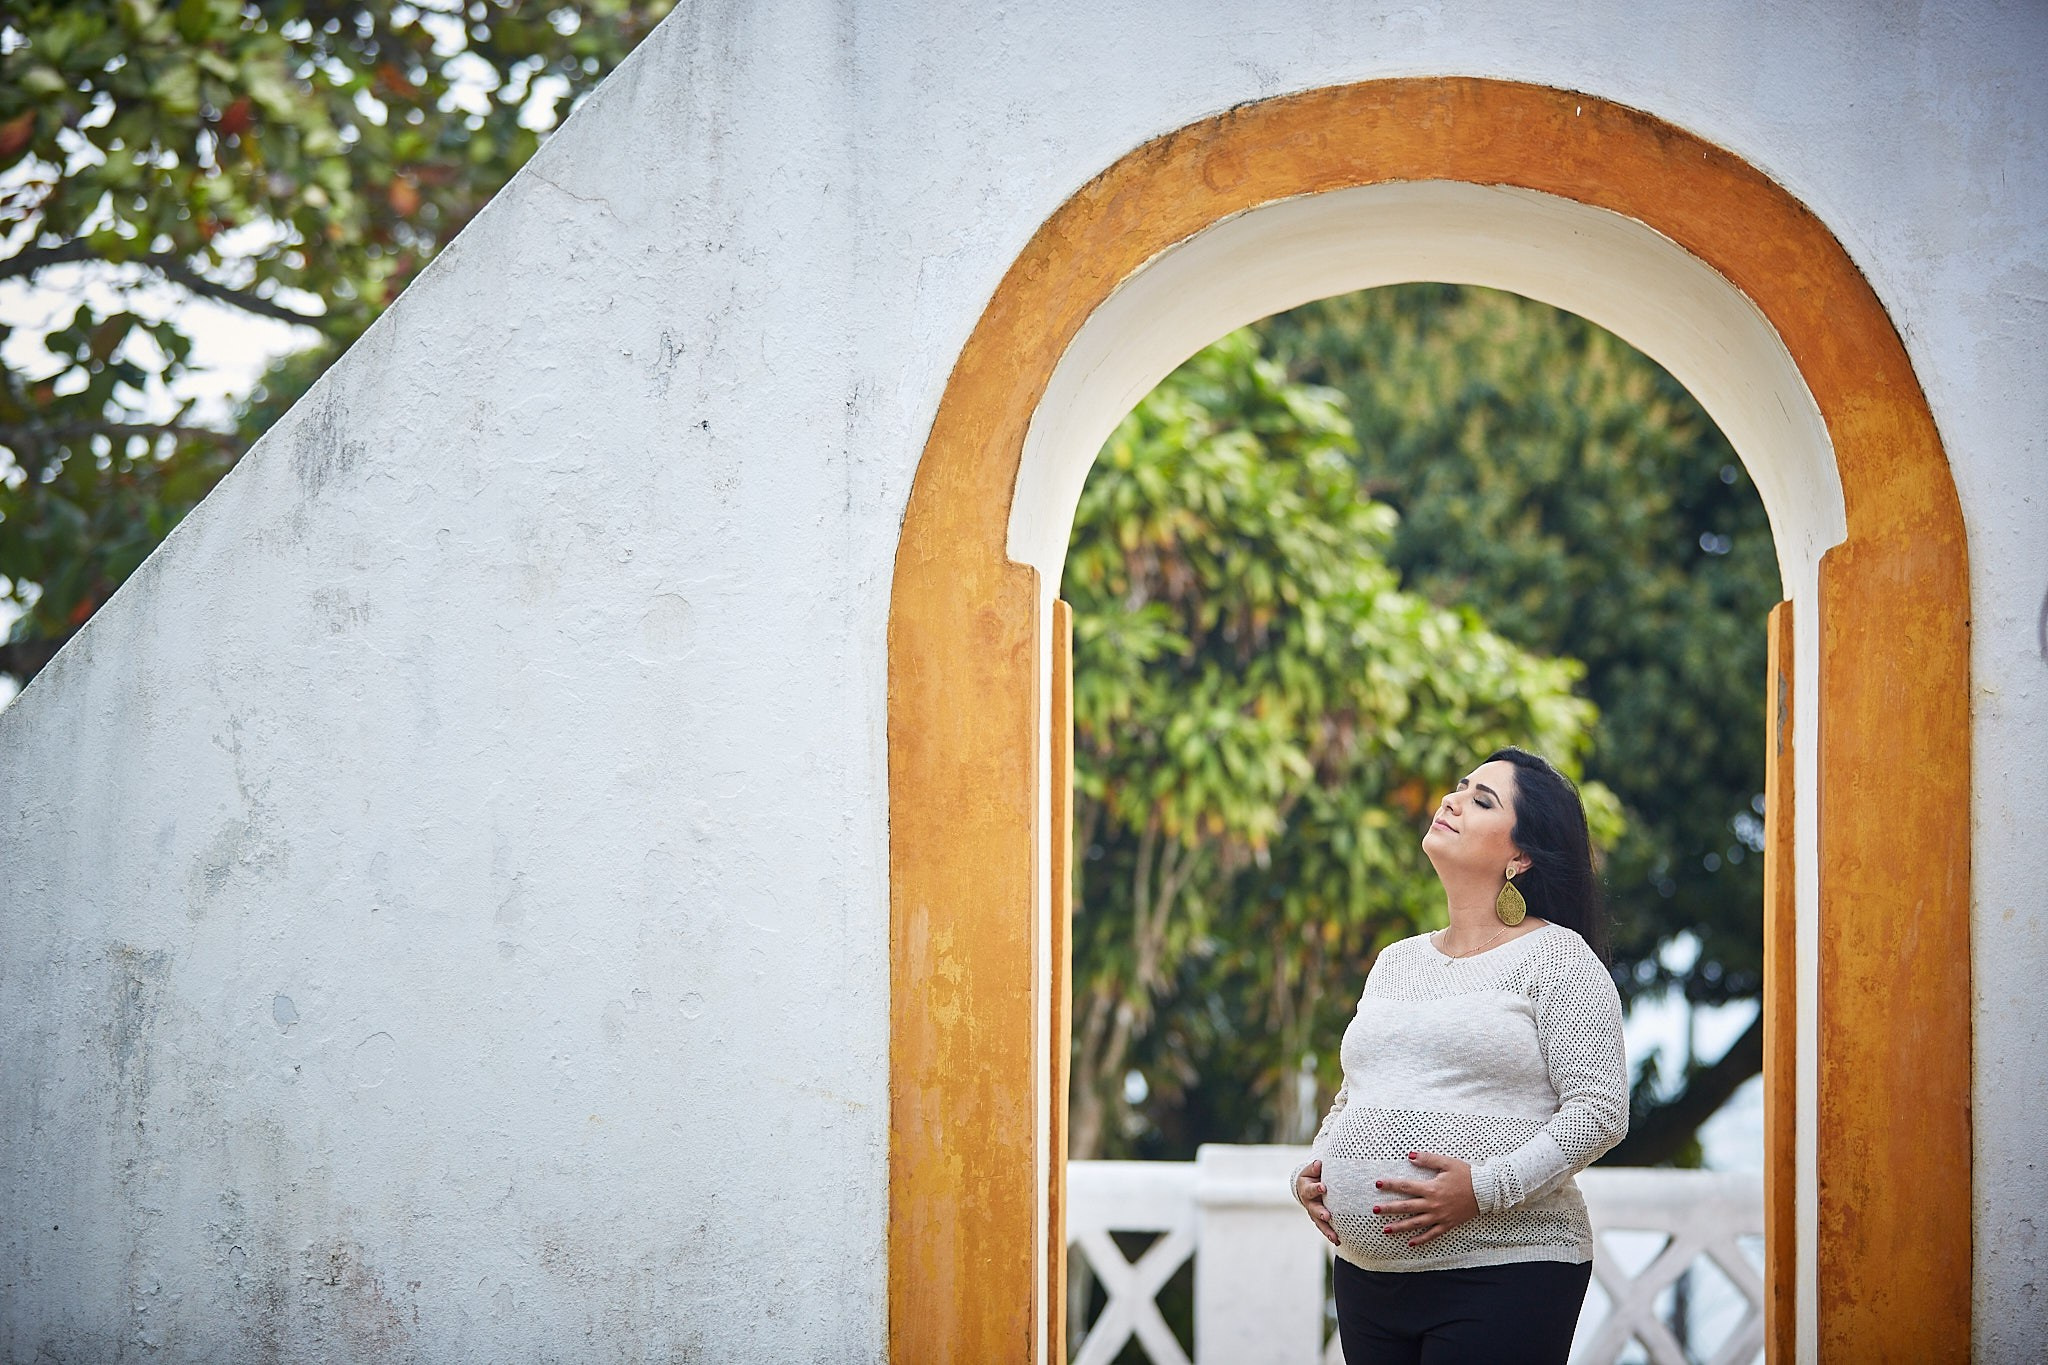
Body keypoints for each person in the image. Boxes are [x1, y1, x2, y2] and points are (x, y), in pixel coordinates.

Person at [1290, 746, 1629, 1365]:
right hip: (1367, 1279)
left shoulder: (1557, 958)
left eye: (1482, 800)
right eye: (1461, 787)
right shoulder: (1397, 961)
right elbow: (1355, 1093)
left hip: (1504, 1274)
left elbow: (1600, 1113)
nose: (1452, 799)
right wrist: (1318, 1168)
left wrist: (1484, 1189)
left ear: (1520, 856)